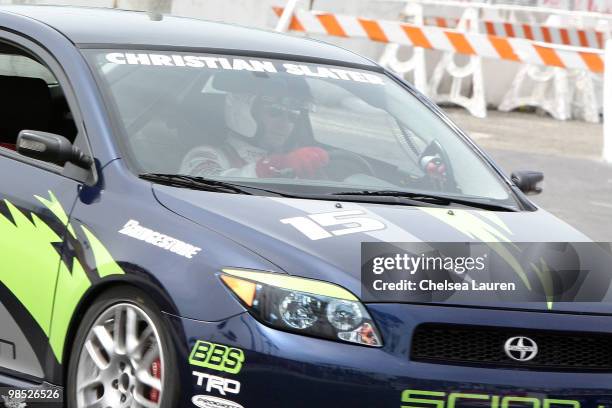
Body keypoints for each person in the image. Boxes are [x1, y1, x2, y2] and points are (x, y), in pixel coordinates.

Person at [180, 83, 329, 179]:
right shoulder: (205, 155)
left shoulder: (297, 161)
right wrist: (276, 166)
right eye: (274, 112)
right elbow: (211, 189)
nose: (285, 125)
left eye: (292, 117)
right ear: (243, 111)